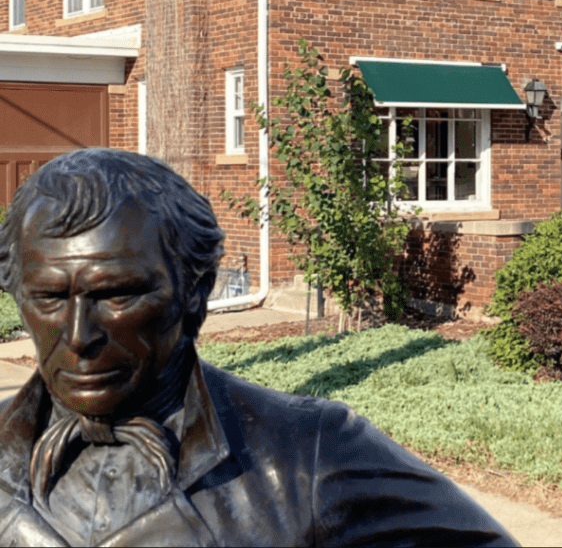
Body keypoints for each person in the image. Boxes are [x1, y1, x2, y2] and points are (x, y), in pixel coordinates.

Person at [0, 148, 517, 547]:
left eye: (116, 294)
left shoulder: (307, 453)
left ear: (195, 290)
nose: (77, 336)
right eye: (47, 297)